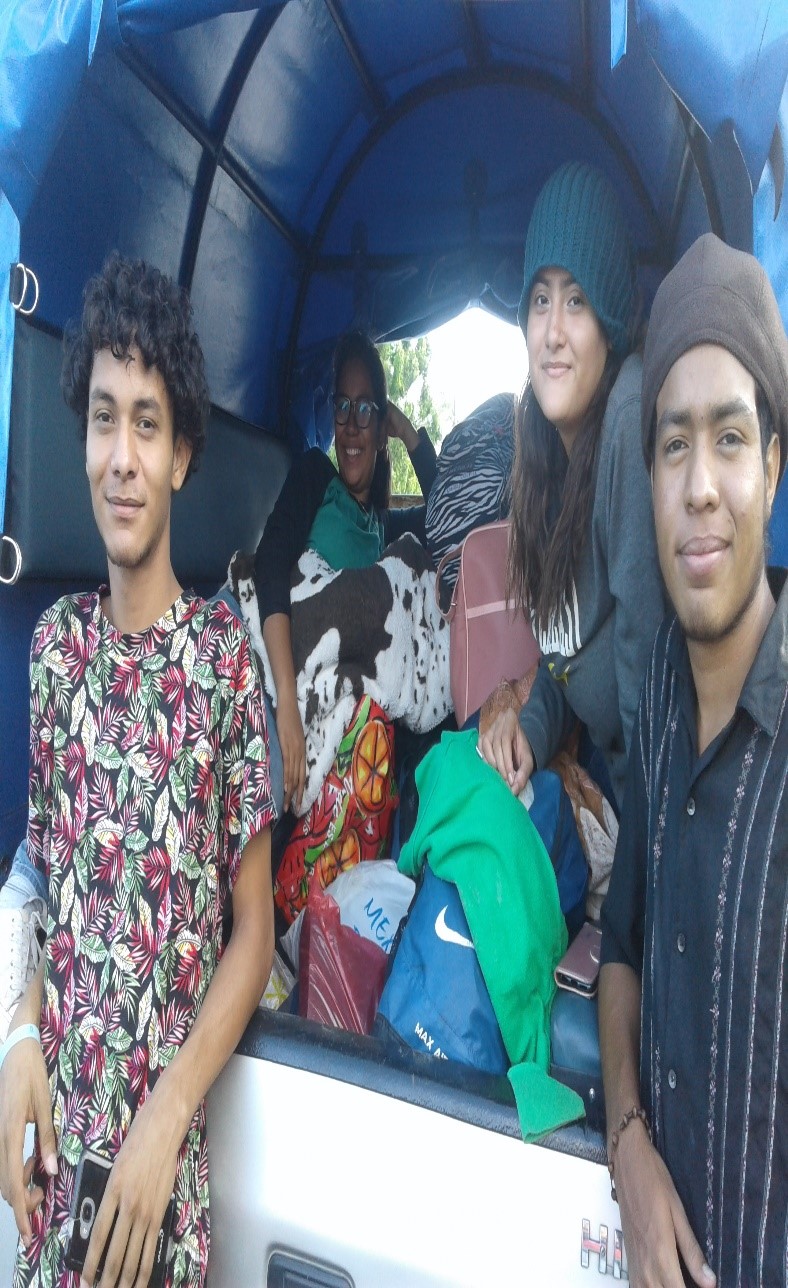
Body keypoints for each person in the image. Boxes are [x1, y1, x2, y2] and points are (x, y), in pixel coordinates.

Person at [0, 254, 276, 1288]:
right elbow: (44, 882)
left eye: (147, 425)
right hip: (53, 1172)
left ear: (182, 456)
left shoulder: (222, 660)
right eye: (103, 419)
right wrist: (17, 1035)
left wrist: (168, 1113)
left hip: (157, 1197)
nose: (122, 457)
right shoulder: (54, 650)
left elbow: (254, 932)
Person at [600, 232, 788, 1287]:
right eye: (675, 445)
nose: (701, 485)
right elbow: (620, 944)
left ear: (773, 464)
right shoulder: (663, 694)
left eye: (730, 438)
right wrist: (628, 1144)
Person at [479, 162, 665, 810]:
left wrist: (632, 874)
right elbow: (569, 658)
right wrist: (529, 733)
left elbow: (648, 702)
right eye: (541, 299)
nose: (554, 332)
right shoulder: (543, 452)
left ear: (608, 322)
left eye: (577, 300)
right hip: (598, 760)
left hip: (645, 791)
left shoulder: (626, 415)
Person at [254, 329, 437, 814]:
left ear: (380, 428)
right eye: (342, 407)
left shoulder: (382, 528)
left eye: (365, 410)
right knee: (265, 792)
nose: (352, 426)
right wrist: (287, 706)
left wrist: (405, 429)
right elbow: (270, 566)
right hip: (280, 680)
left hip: (339, 703)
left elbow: (444, 512)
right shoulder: (315, 475)